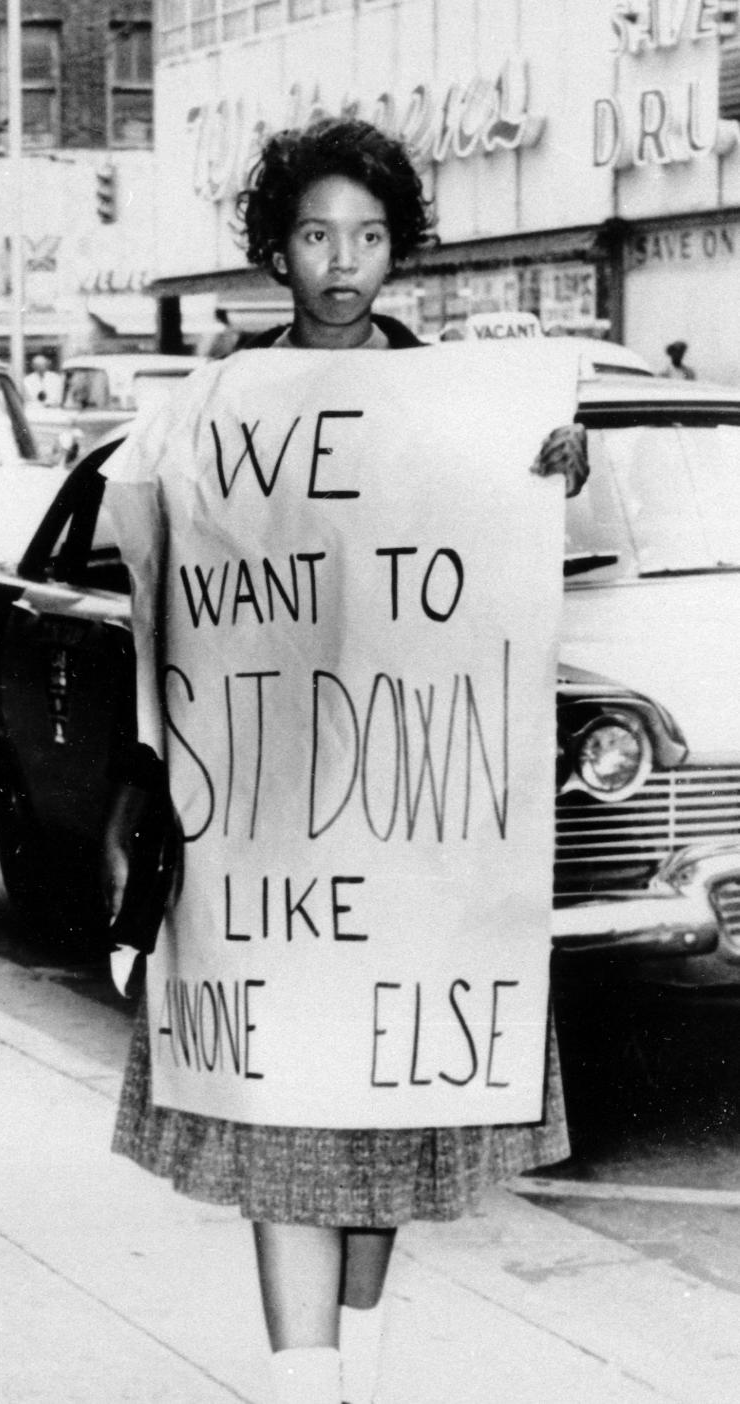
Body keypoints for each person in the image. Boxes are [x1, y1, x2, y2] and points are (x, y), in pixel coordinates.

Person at [107, 117, 577, 1404]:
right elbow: (147, 576)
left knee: (379, 1129)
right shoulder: (212, 411)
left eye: (369, 237)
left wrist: (546, 473)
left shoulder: (459, 407)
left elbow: (521, 569)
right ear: (275, 251)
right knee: (280, 1131)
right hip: (262, 842)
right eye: (317, 235)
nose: (343, 262)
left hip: (409, 850)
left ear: (400, 252)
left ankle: (356, 1370)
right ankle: (308, 1389)